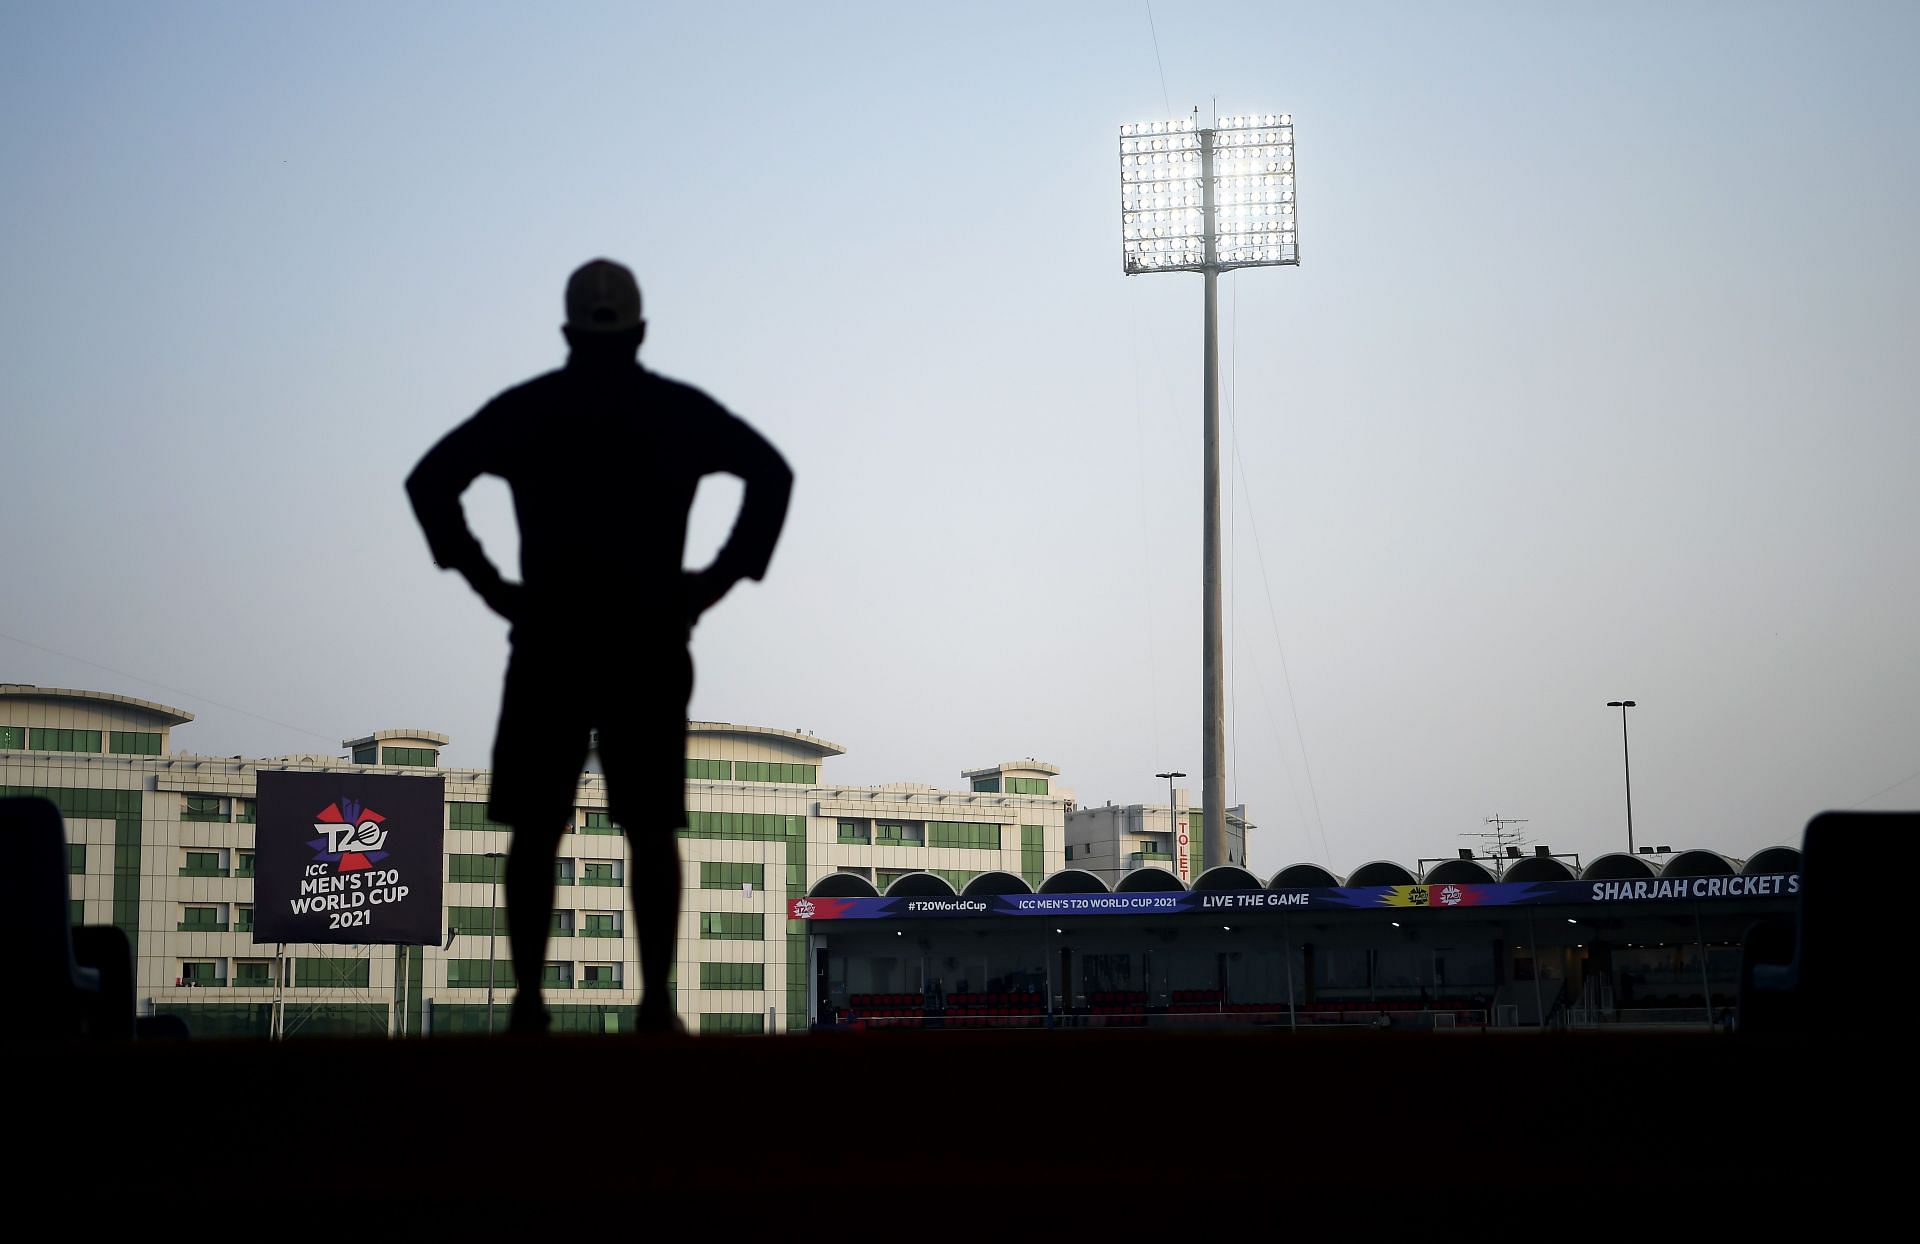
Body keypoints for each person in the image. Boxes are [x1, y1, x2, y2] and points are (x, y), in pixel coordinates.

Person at [408, 258, 793, 1034]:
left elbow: (430, 482)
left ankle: (527, 1002)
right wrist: (714, 582)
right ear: (641, 329)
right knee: (651, 825)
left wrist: (491, 586)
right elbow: (771, 476)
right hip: (649, 640)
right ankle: (655, 1003)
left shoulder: (530, 410)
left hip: (550, 637)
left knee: (537, 825)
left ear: (566, 329)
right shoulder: (676, 412)